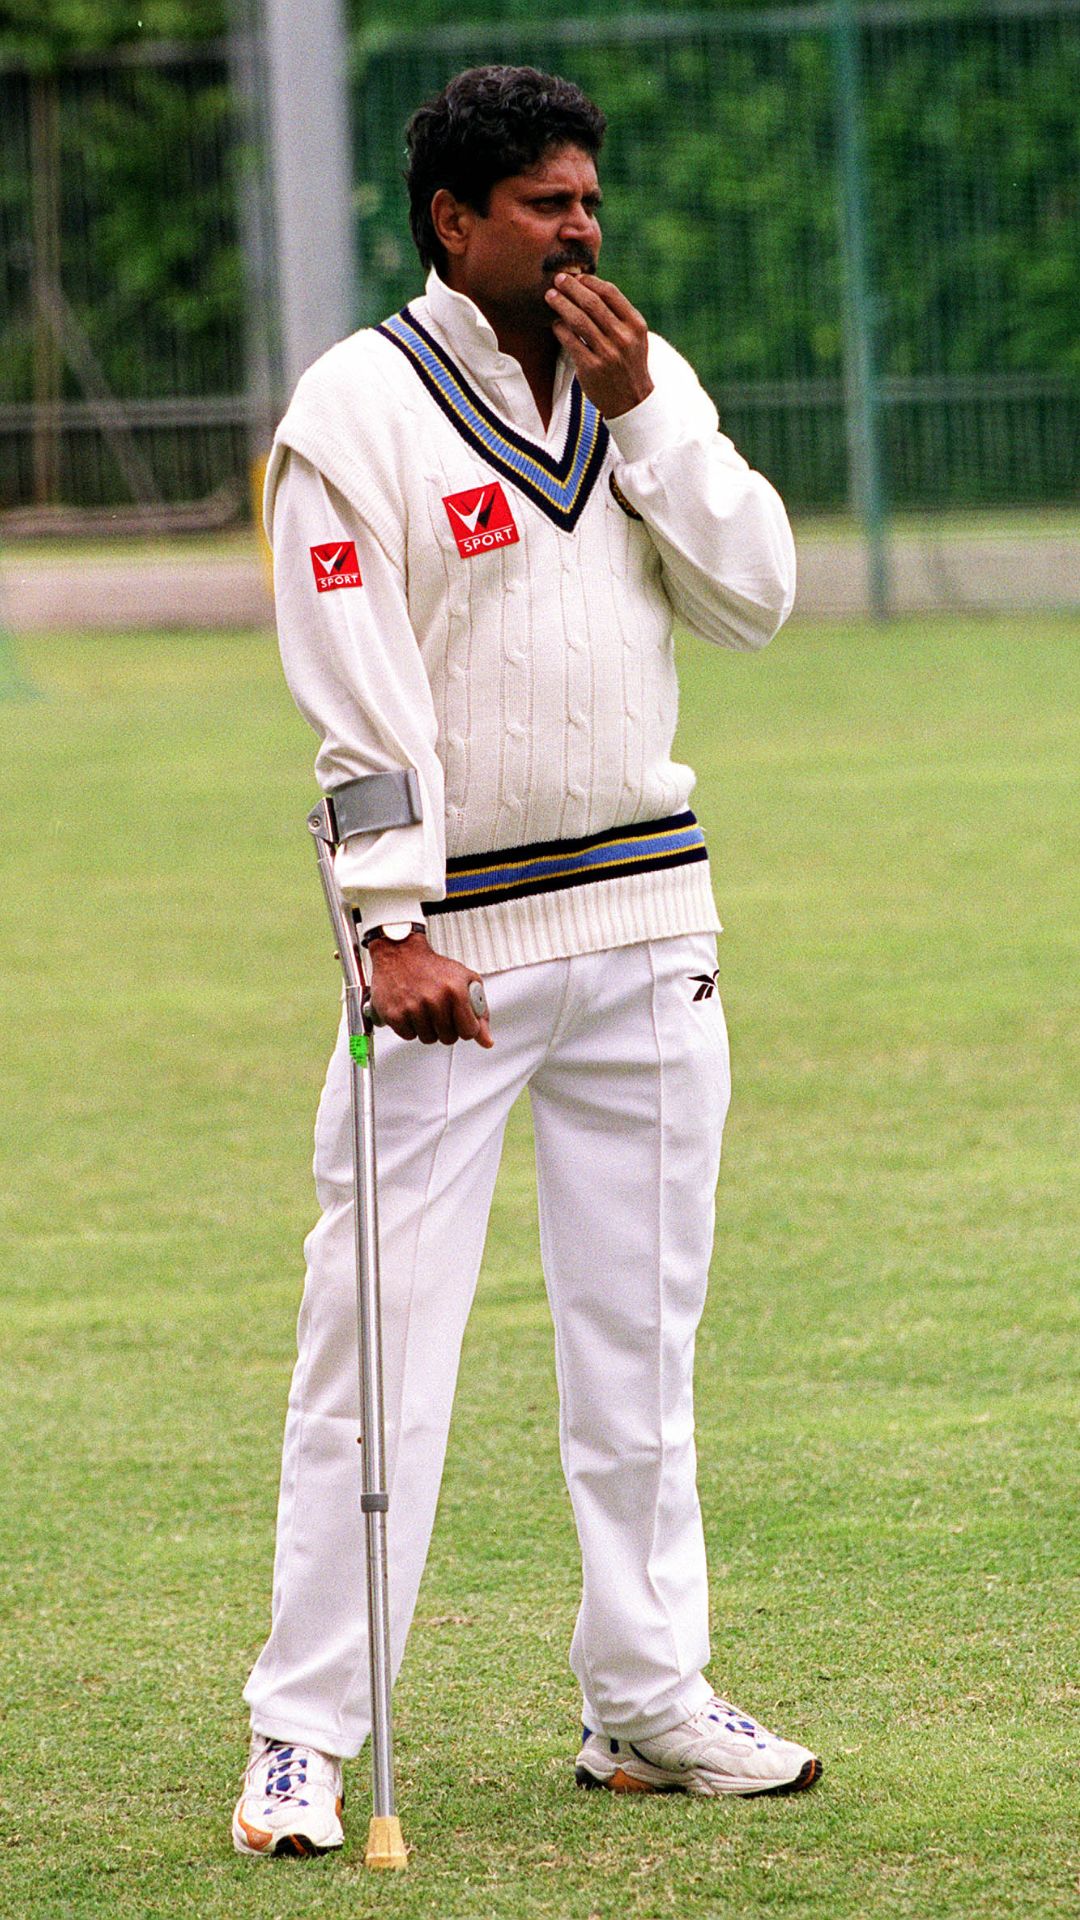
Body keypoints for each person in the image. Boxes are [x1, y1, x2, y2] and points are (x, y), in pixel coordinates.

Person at [233, 63, 819, 1859]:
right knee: (377, 1345)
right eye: (547, 206)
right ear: (453, 222)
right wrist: (389, 921)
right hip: (449, 960)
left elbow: (761, 593)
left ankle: (645, 1701)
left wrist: (655, 421)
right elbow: (354, 686)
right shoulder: (358, 407)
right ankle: (303, 1739)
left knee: (642, 1347)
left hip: (650, 924)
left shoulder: (641, 380)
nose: (583, 231)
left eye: (589, 200)